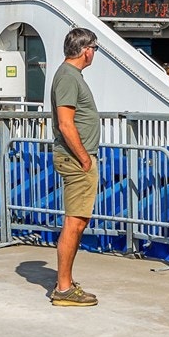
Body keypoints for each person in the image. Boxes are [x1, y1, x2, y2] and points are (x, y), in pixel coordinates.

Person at [50, 27, 101, 307]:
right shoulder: (68, 78)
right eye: (94, 49)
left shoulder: (69, 76)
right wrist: (84, 158)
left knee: (77, 221)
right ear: (86, 50)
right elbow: (66, 123)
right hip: (75, 159)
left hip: (75, 157)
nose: (94, 54)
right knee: (75, 222)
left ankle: (65, 283)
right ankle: (64, 288)